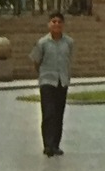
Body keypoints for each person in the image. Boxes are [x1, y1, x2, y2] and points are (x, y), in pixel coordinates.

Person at [29, 12, 74, 157]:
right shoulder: (42, 43)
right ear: (49, 24)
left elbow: (69, 59)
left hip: (62, 80)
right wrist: (43, 75)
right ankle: (47, 144)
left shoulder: (69, 42)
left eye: (59, 22)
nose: (56, 24)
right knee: (48, 113)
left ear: (63, 24)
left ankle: (56, 144)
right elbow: (36, 61)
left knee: (59, 114)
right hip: (47, 81)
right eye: (53, 21)